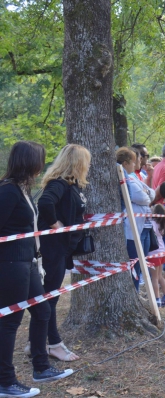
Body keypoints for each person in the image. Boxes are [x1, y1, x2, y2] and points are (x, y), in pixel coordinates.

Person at [0, 141, 73, 397]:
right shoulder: (8, 191)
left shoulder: (22, 190)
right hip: (10, 264)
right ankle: (5, 381)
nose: (43, 165)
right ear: (29, 162)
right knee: (10, 322)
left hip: (28, 262)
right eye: (40, 160)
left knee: (42, 310)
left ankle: (41, 367)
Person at [37, 144, 92, 363]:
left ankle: (36, 342)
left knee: (49, 296)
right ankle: (54, 344)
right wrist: (55, 223)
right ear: (77, 163)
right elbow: (45, 203)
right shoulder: (59, 184)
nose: (88, 166)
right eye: (85, 161)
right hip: (54, 248)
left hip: (63, 248)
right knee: (50, 297)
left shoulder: (72, 186)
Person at [116, 147, 154, 293]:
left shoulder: (134, 177)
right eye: (133, 162)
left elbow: (151, 194)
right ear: (125, 163)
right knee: (134, 264)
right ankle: (134, 293)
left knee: (140, 264)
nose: (135, 164)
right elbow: (141, 197)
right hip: (132, 229)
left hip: (143, 226)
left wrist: (147, 194)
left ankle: (136, 294)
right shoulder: (128, 178)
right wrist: (147, 194)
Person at [147, 205, 165, 307]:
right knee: (160, 276)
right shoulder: (162, 224)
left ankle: (157, 298)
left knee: (154, 278)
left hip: (153, 252)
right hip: (161, 251)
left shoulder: (152, 223)